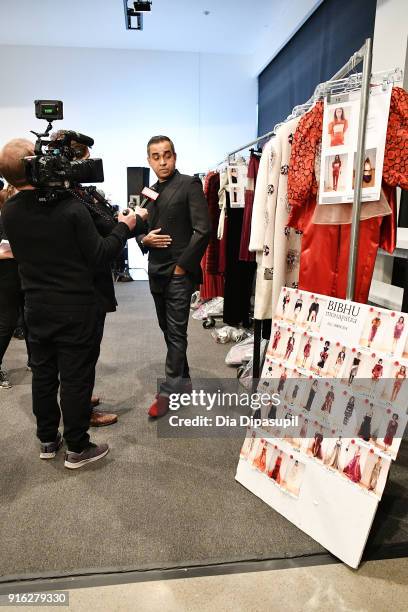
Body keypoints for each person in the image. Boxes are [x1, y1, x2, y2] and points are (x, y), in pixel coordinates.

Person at [0, 138, 145, 468]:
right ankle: (78, 447)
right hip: (75, 307)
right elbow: (100, 255)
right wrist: (125, 227)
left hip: (36, 307)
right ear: (31, 165)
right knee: (76, 378)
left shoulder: (9, 211)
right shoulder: (69, 206)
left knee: (44, 376)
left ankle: (48, 439)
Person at [137, 135, 210, 418]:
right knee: (167, 330)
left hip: (178, 272)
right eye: (156, 156)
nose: (163, 161)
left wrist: (182, 266)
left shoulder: (189, 184)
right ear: (149, 160)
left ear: (175, 156)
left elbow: (202, 230)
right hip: (155, 271)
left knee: (177, 332)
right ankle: (186, 378)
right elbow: (138, 229)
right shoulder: (148, 192)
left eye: (167, 155)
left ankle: (168, 391)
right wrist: (145, 240)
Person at [0, 184, 31, 388]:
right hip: (6, 273)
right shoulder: (5, 215)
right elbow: (5, 250)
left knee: (30, 318)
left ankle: (35, 360)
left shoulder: (16, 212)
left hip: (25, 270)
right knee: (7, 321)